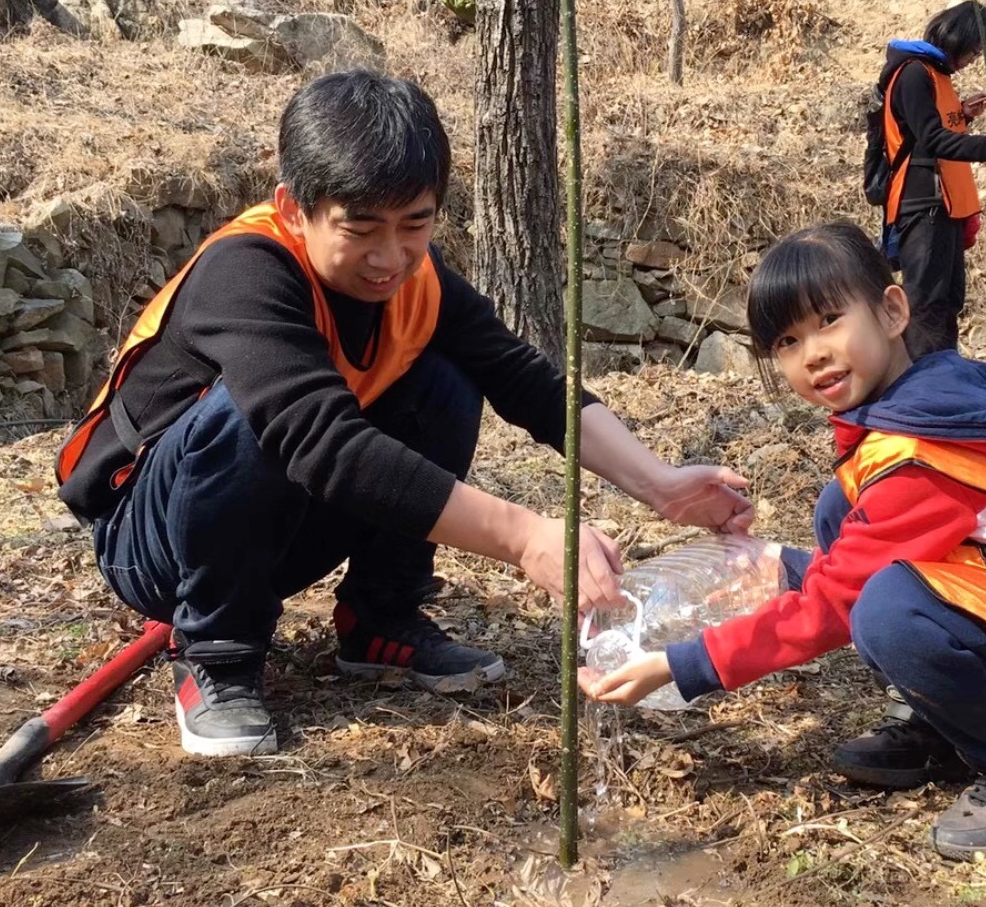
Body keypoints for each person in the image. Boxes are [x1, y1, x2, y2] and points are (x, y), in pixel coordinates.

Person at [56, 69, 755, 757]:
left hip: (280, 521)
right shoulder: (246, 273)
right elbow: (322, 441)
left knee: (448, 379)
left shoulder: (417, 281)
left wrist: (658, 483)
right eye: (361, 230)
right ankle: (218, 654)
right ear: (295, 209)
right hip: (152, 539)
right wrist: (526, 538)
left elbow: (525, 381)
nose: (389, 257)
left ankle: (380, 618)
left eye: (414, 224)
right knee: (255, 414)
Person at [580, 222, 986, 861]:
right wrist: (786, 566)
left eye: (830, 320)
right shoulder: (916, 413)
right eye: (787, 340)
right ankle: (953, 724)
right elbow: (887, 555)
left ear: (892, 311)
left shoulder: (926, 452)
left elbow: (843, 602)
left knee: (888, 609)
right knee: (845, 513)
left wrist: (683, 665)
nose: (813, 353)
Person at [862, 1, 986, 358]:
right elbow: (931, 139)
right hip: (923, 205)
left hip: (945, 206)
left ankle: (943, 376)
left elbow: (929, 134)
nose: (973, 58)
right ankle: (919, 384)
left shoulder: (937, 75)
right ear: (956, 37)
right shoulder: (913, 73)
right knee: (925, 303)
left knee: (948, 299)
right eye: (973, 49)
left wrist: (962, 115)